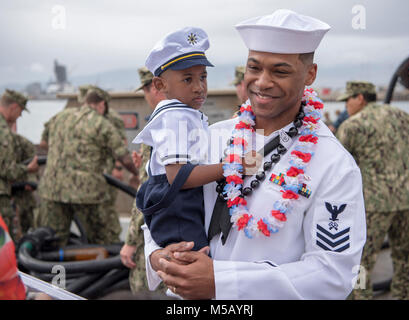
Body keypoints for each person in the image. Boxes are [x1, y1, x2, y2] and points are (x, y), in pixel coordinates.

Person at [143, 9, 366, 300]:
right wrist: (157, 254)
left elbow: (333, 274)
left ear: (310, 74)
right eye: (254, 68)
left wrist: (222, 282)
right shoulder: (209, 137)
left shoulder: (333, 164)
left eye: (280, 71)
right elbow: (158, 199)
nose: (262, 82)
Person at [133, 27, 256, 255]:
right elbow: (178, 176)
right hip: (178, 207)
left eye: (203, 77)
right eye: (187, 79)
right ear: (160, 85)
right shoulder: (175, 116)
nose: (199, 87)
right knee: (194, 261)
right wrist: (233, 167)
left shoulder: (182, 111)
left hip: (180, 202)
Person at [336, 81, 409, 300]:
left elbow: (338, 164)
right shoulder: (403, 117)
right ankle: (406, 295)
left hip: (373, 205)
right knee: (407, 257)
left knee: (361, 261)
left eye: (348, 100)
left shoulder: (352, 125)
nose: (346, 106)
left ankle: (361, 297)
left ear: (361, 98)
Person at [37, 87, 139, 246]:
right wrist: (138, 173)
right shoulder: (101, 123)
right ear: (101, 105)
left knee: (53, 240)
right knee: (104, 238)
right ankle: (102, 269)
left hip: (52, 190)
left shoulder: (60, 116)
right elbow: (124, 157)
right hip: (87, 193)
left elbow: (43, 143)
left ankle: (57, 270)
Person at [120, 67, 167, 294]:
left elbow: (147, 192)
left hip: (156, 229)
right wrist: (143, 167)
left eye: (146, 89)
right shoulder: (184, 117)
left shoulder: (159, 125)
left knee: (144, 287)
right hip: (173, 225)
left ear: (154, 87)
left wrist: (130, 241)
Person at [77, 85, 126, 244]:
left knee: (106, 211)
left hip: (108, 171)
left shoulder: (111, 118)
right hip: (89, 174)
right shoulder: (82, 118)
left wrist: (118, 167)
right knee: (89, 213)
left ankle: (111, 243)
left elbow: (121, 144)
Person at [0, 89, 39, 243]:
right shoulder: (3, 133)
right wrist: (28, 169)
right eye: (20, 111)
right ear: (14, 107)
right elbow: (5, 169)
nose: (20, 116)